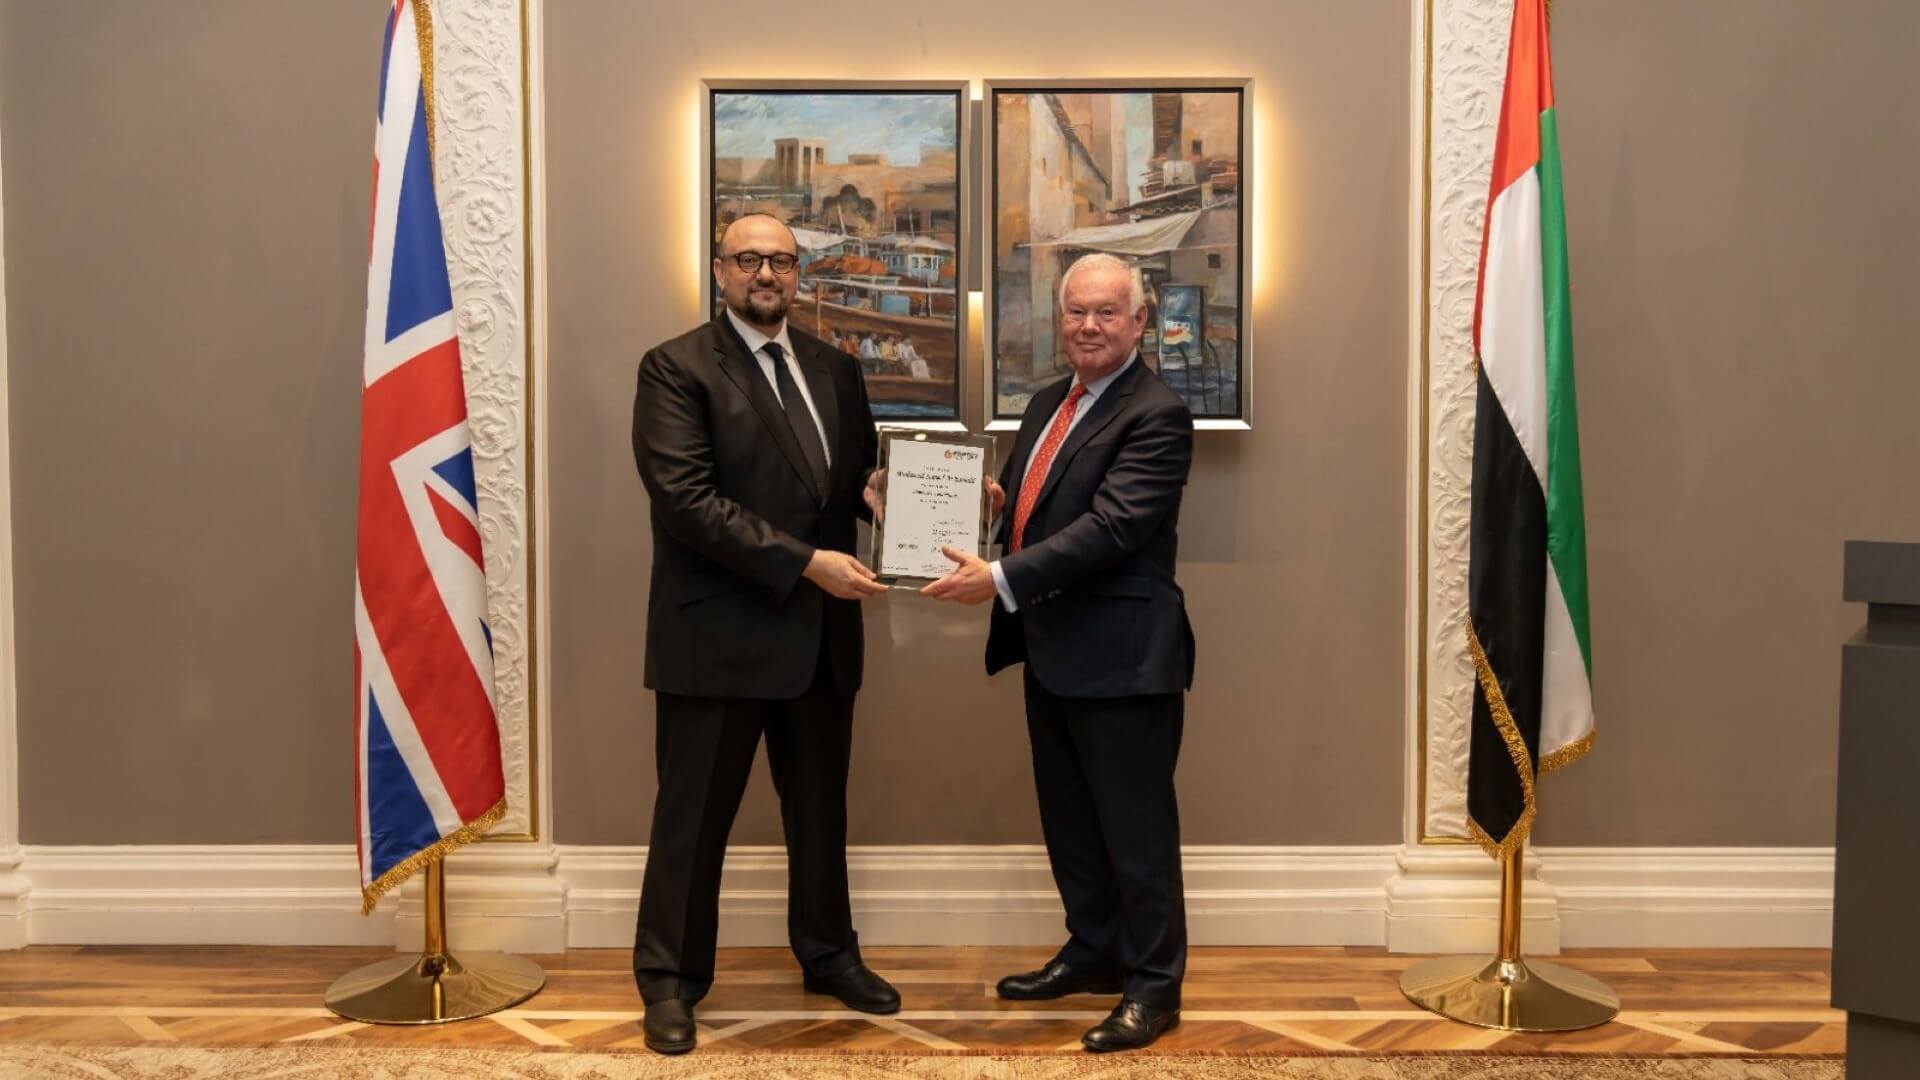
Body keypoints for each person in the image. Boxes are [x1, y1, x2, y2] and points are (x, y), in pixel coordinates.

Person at [630, 213, 898, 1055]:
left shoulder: (835, 368)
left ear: (799, 272)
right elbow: (687, 503)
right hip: (717, 639)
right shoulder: (675, 369)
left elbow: (852, 481)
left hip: (820, 640)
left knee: (820, 813)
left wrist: (894, 498)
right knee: (693, 820)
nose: (767, 274)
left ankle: (828, 954)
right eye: (749, 260)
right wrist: (810, 562)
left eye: (782, 260)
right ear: (719, 271)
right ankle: (671, 980)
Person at [919, 252, 1196, 1052]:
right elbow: (1032, 506)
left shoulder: (1156, 413)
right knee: (1072, 823)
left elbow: (1112, 528)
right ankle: (1094, 950)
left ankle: (1153, 986)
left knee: (1137, 835)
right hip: (1052, 650)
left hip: (1125, 656)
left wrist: (998, 573)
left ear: (1140, 320)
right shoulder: (1050, 401)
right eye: (1075, 312)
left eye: (1107, 312)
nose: (1087, 326)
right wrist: (984, 509)